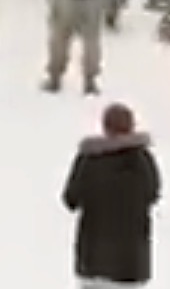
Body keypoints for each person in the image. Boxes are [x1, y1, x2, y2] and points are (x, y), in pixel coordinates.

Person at [63, 102, 162, 288]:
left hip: (92, 261)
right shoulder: (142, 159)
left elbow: (70, 199)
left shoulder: (89, 159)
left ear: (105, 127)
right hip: (131, 264)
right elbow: (153, 194)